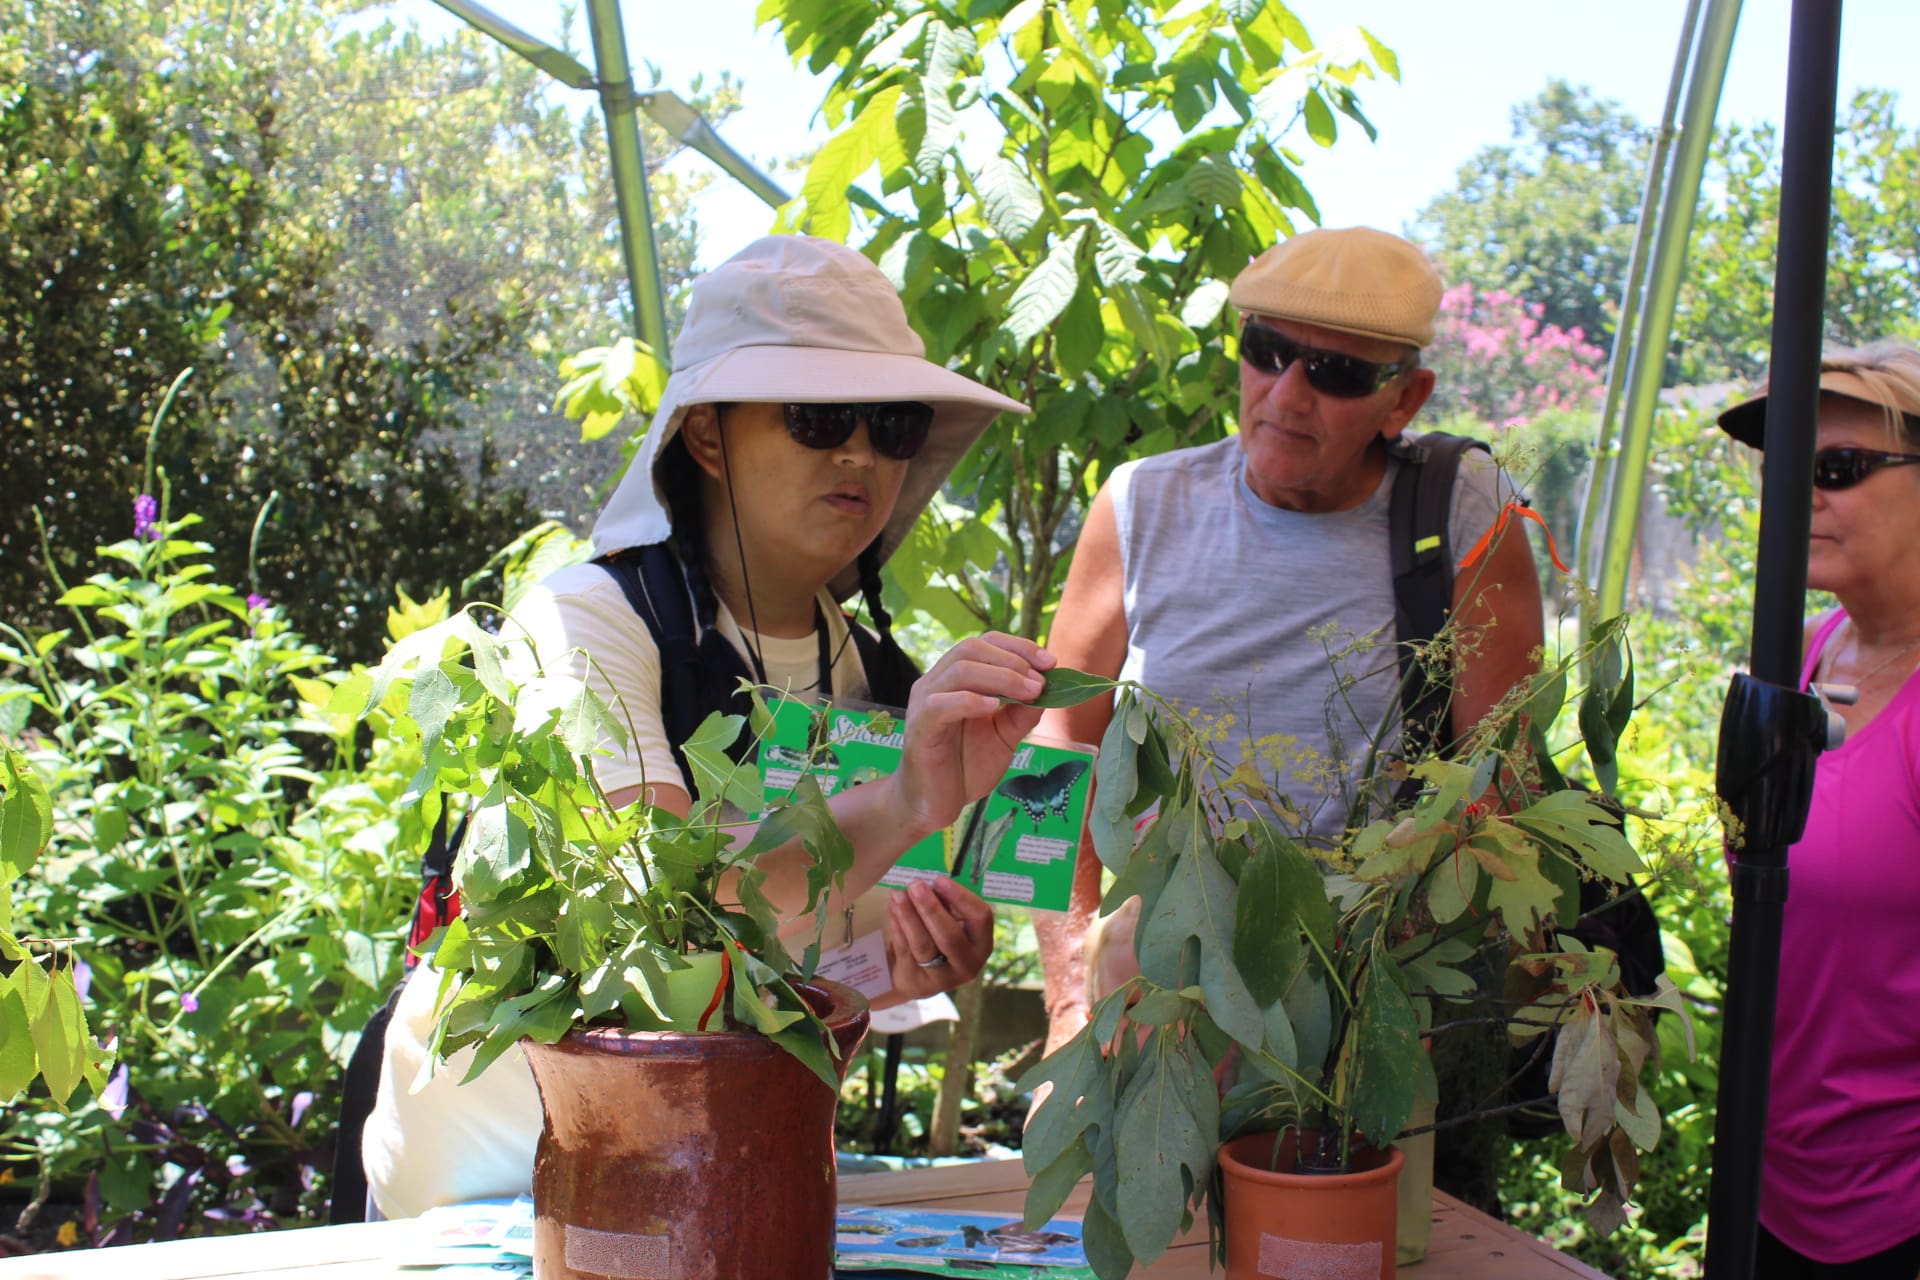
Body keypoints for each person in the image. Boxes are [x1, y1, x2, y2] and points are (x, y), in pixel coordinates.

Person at [362, 234, 1049, 1219]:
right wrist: (905, 798)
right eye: (816, 414)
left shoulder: (870, 678)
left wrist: (899, 957)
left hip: (695, 1190)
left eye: (892, 421)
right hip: (484, 1192)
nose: (858, 450)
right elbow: (662, 888)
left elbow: (790, 953)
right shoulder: (585, 619)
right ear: (708, 436)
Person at [1032, 226, 1543, 1207]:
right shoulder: (1141, 504)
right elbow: (1051, 751)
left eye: (1339, 371)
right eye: (1266, 351)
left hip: (1371, 999)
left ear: (1407, 398)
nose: (1288, 393)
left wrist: (1402, 998)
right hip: (1158, 994)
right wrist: (1067, 993)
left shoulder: (1465, 509)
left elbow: (1501, 780)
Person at [1717, 338, 1920, 1279]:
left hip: (1895, 1212)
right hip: (1774, 1182)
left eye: (1835, 469)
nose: (1798, 493)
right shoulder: (1799, 657)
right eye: (1785, 466)